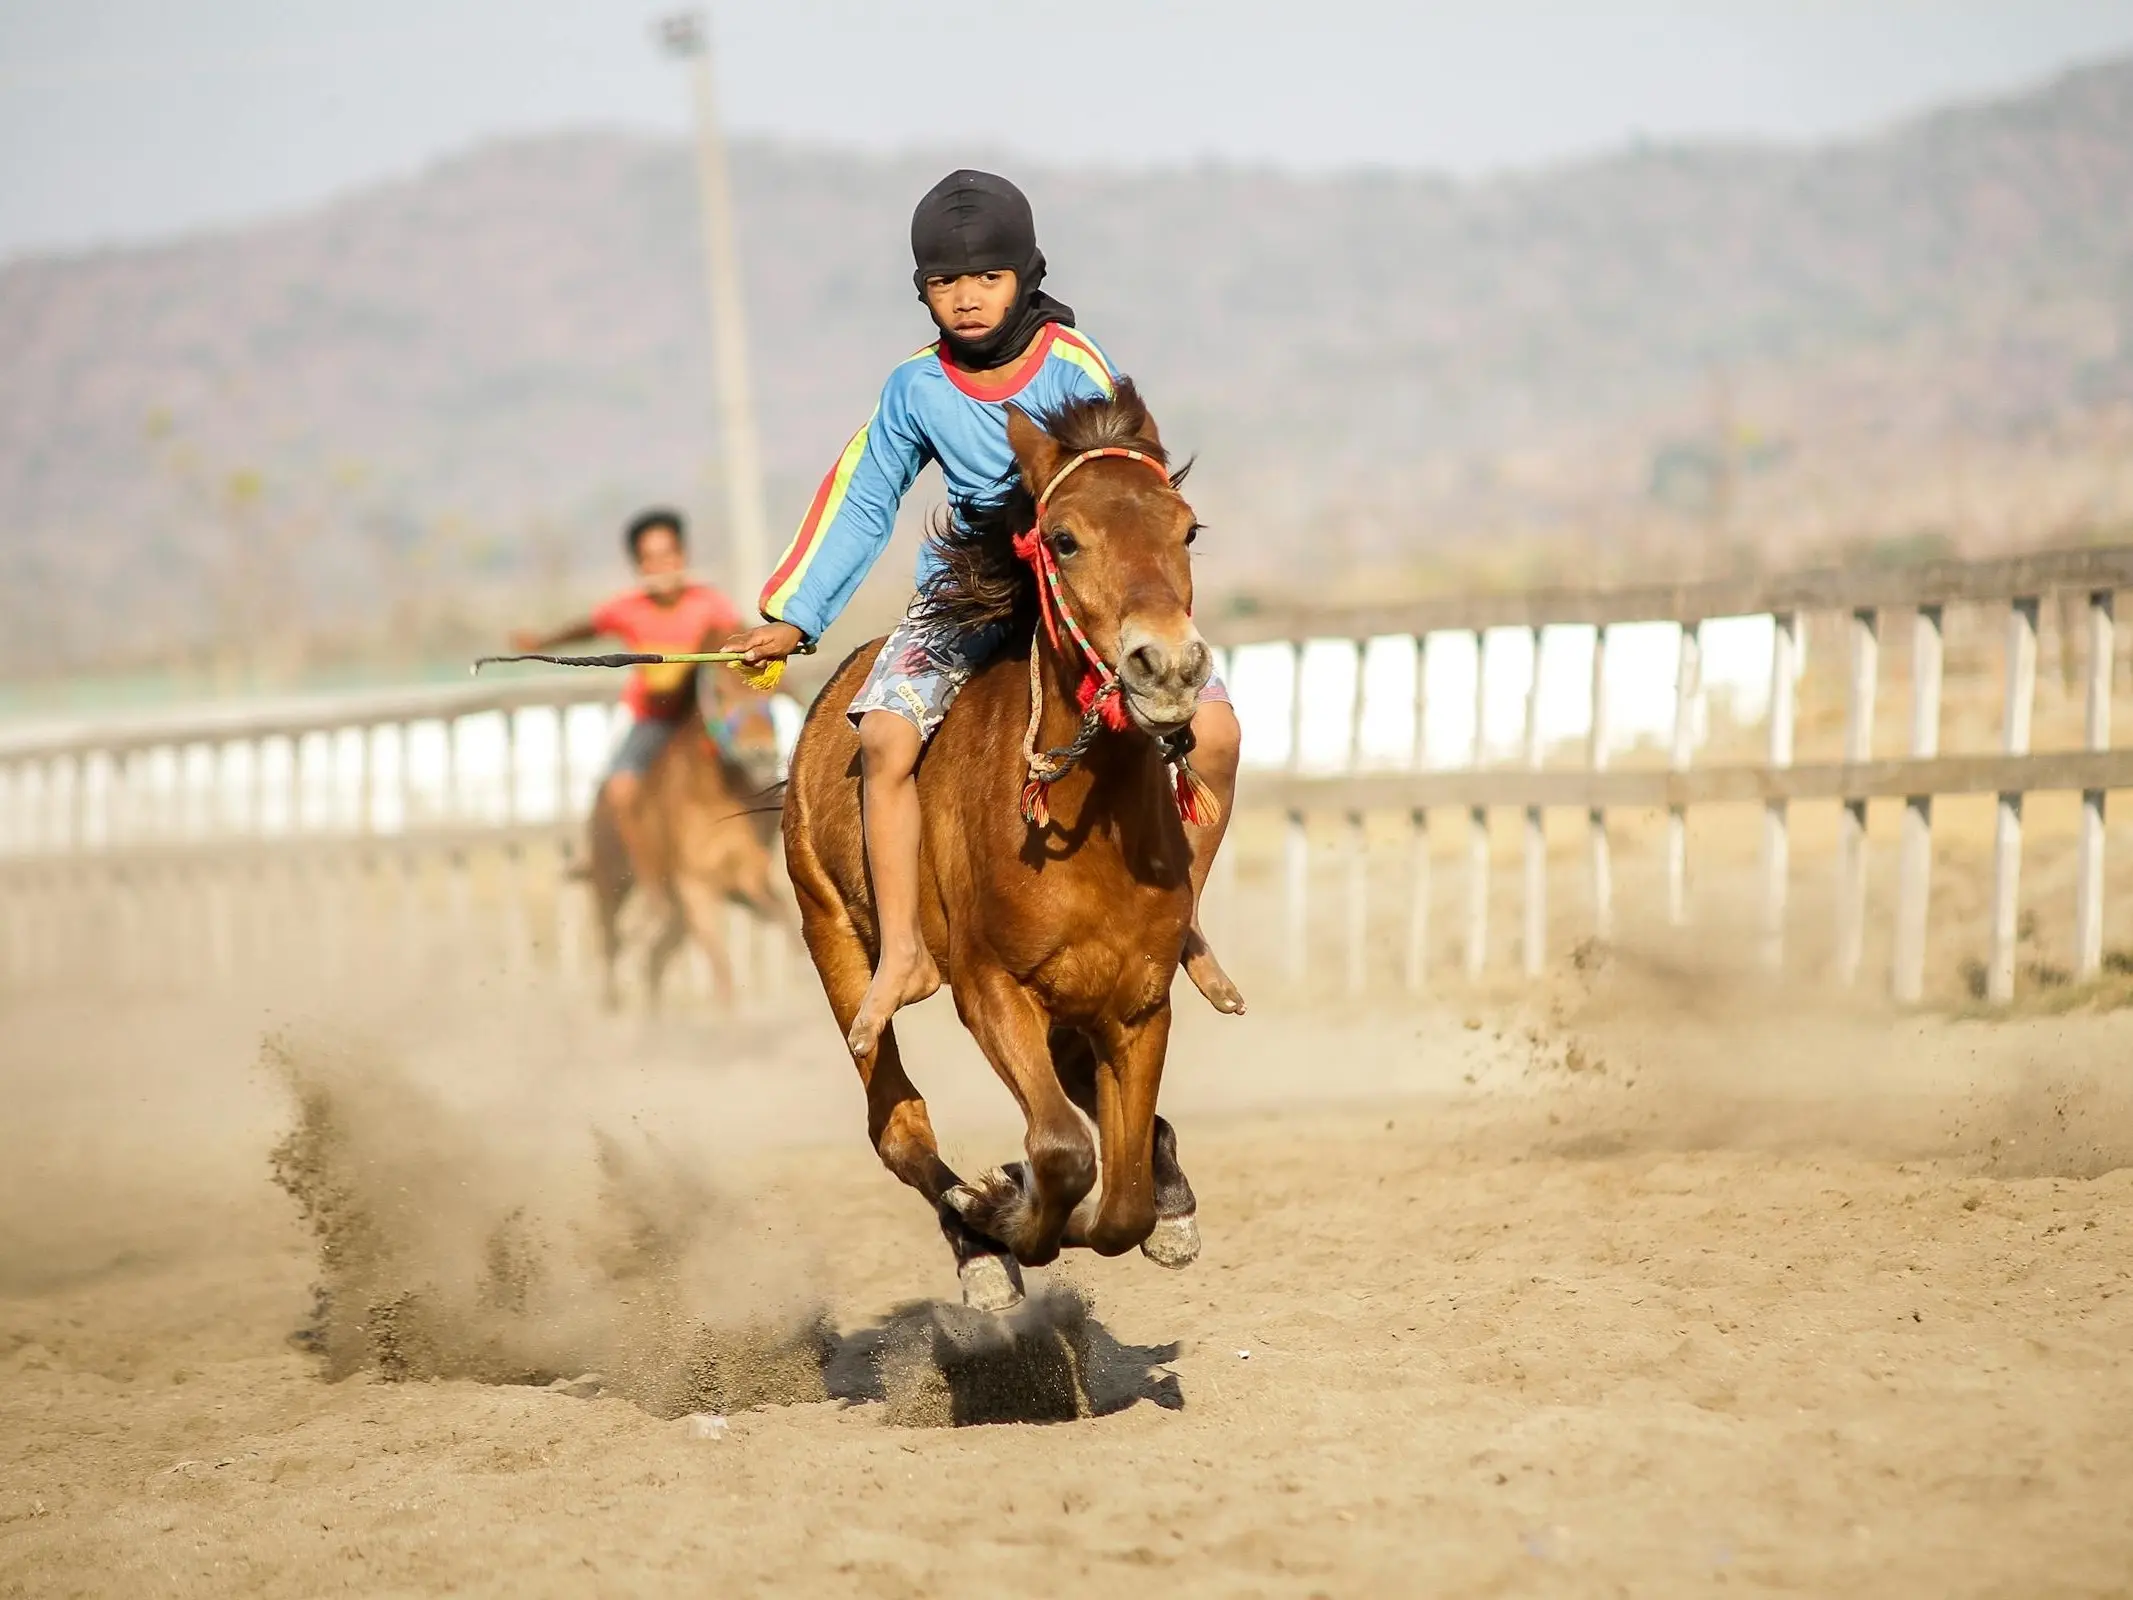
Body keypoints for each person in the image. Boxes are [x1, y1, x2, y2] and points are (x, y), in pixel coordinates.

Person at [723, 169, 1244, 1059]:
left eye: (987, 279)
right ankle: (902, 955)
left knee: (1218, 735)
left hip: (1078, 592)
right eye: (943, 283)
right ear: (922, 290)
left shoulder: (1077, 370)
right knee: (885, 738)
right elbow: (862, 496)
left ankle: (1179, 921)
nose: (966, 299)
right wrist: (792, 614)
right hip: (966, 592)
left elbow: (1124, 488)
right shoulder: (913, 387)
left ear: (1026, 276)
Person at [511, 507, 740, 868]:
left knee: (758, 767)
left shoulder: (710, 604)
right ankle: (645, 872)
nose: (662, 567)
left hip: (704, 719)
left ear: (683, 556)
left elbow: (737, 640)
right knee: (620, 789)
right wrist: (542, 642)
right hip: (653, 718)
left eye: (669, 555)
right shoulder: (628, 608)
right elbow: (587, 629)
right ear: (639, 567)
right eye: (651, 559)